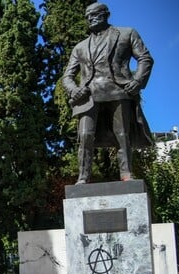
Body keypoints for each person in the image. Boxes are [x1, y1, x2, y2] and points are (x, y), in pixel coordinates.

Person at [62, 2, 154, 184]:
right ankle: (83, 177)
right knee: (85, 136)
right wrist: (74, 89)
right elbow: (67, 76)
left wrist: (137, 81)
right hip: (88, 96)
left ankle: (126, 174)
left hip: (118, 91)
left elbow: (145, 58)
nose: (91, 18)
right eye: (88, 16)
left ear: (106, 14)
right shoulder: (80, 47)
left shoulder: (127, 34)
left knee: (122, 135)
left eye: (95, 14)